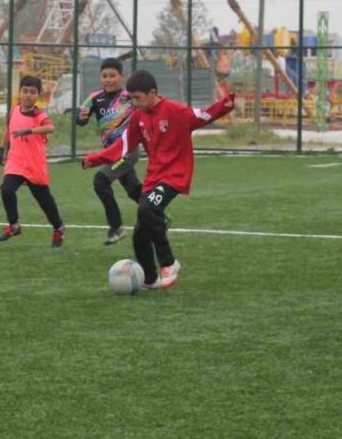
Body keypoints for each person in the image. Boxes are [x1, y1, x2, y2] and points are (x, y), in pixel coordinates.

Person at [82, 70, 235, 290]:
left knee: (146, 208)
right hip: (154, 177)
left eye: (137, 98)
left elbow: (204, 116)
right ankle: (151, 279)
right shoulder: (138, 117)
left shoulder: (175, 111)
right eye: (131, 99)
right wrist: (95, 159)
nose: (133, 103)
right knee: (139, 235)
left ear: (152, 93)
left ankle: (169, 263)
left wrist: (227, 103)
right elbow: (123, 147)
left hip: (174, 176)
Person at [76, 57, 141, 245]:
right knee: (133, 189)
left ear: (122, 76)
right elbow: (81, 121)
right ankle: (159, 214)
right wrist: (79, 116)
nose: (108, 79)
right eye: (104, 76)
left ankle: (116, 227)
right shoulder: (94, 98)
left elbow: (149, 107)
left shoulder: (129, 97)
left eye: (112, 75)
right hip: (111, 152)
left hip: (128, 150)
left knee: (100, 181)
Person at [0, 75, 65, 247]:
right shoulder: (13, 111)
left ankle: (58, 227)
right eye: (25, 91)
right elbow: (8, 130)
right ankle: (14, 225)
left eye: (32, 92)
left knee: (45, 201)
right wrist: (1, 148)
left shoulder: (39, 114)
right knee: (6, 190)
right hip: (16, 162)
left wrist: (29, 130)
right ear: (19, 93)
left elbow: (50, 127)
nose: (28, 95)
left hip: (34, 164)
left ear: (38, 95)